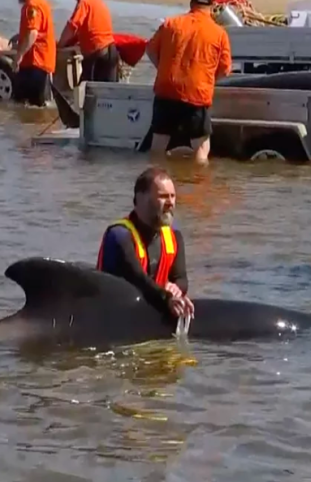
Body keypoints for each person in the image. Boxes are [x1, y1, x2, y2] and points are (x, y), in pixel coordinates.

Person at [96, 167, 195, 320]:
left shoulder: (175, 236)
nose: (170, 203)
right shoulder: (119, 235)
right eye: (163, 196)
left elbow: (181, 279)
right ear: (140, 199)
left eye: (173, 196)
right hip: (114, 313)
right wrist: (166, 298)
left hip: (153, 304)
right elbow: (137, 278)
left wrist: (176, 291)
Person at [145, 0, 232, 165]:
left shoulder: (171, 23)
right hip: (197, 94)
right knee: (200, 148)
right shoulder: (219, 33)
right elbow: (225, 69)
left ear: (191, 3)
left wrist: (162, 68)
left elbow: (149, 49)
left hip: (166, 90)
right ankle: (198, 186)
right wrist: (208, 80)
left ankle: (156, 181)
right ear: (213, 7)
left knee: (158, 145)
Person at [57, 0, 119, 83]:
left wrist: (59, 46)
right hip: (110, 51)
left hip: (97, 55)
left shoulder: (84, 3)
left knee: (88, 92)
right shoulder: (98, 2)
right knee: (109, 91)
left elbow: (72, 26)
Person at [12, 0, 56, 107]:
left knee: (31, 105)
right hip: (42, 61)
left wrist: (19, 55)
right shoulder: (42, 3)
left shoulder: (32, 5)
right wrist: (21, 35)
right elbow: (38, 28)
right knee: (36, 106)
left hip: (35, 62)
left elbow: (33, 33)